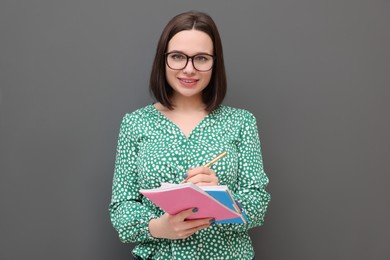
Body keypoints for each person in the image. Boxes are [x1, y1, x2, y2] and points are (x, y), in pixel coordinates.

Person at [109, 10, 270, 260]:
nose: (189, 69)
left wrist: (221, 197)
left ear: (215, 63)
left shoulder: (241, 122)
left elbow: (257, 206)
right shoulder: (135, 124)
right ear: (163, 60)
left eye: (201, 59)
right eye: (177, 57)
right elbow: (121, 208)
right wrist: (160, 228)